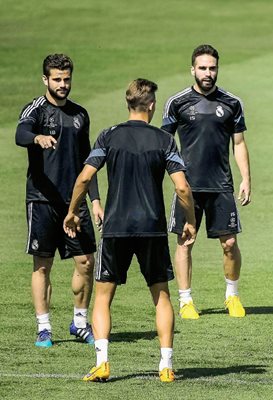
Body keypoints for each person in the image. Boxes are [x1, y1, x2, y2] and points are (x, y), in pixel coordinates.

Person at [63, 79, 196, 382]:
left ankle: (102, 362)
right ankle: (165, 366)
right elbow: (182, 187)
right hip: (152, 229)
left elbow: (84, 179)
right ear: (151, 105)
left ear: (128, 104)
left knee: (102, 298)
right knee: (161, 296)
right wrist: (189, 219)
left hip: (116, 228)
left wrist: (72, 212)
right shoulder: (163, 140)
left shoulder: (109, 136)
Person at [15, 54, 103, 348]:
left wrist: (95, 201)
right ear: (46, 80)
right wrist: (36, 139)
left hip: (74, 202)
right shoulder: (36, 110)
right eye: (57, 79)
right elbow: (20, 133)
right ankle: (44, 328)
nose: (63, 84)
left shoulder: (80, 115)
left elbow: (88, 162)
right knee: (43, 265)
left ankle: (79, 323)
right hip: (42, 201)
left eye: (67, 79)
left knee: (86, 262)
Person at [162, 44, 251, 319]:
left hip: (221, 185)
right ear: (193, 70)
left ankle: (232, 296)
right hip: (187, 186)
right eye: (203, 68)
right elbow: (164, 144)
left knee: (229, 244)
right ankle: (186, 301)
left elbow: (239, 143)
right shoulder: (177, 103)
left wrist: (246, 178)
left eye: (212, 68)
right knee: (185, 242)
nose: (208, 73)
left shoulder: (232, 103)